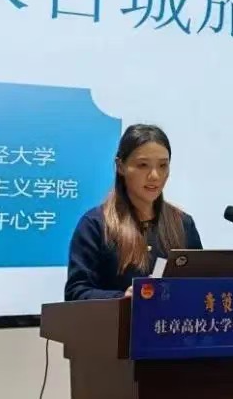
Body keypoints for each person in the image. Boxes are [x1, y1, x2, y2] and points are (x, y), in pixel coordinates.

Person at [64, 124, 202, 300]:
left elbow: (201, 286)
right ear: (120, 166)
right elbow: (76, 292)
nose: (155, 176)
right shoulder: (96, 224)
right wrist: (124, 298)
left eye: (163, 165)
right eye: (143, 165)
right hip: (118, 318)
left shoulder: (183, 223)